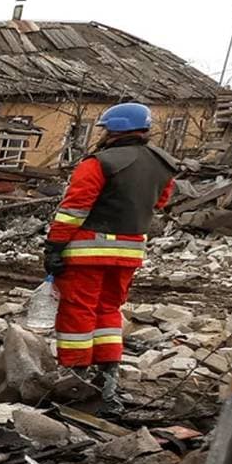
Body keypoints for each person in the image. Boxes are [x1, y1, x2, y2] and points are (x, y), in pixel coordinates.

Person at [44, 102, 177, 414]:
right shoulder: (163, 163)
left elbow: (74, 209)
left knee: (78, 312)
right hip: (129, 253)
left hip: (88, 252)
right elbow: (160, 202)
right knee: (108, 312)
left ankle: (75, 382)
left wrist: (55, 245)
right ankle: (107, 382)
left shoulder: (99, 163)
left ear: (114, 129)